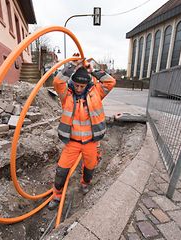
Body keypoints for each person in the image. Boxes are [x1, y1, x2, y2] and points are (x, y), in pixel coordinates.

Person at [48, 58, 116, 210]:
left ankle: (85, 184)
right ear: (73, 82)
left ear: (87, 84)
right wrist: (72, 66)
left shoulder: (96, 92)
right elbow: (58, 82)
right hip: (72, 142)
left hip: (91, 142)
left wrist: (94, 71)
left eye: (82, 86)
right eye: (77, 85)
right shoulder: (66, 94)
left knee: (90, 167)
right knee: (61, 170)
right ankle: (57, 195)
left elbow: (110, 82)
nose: (79, 88)